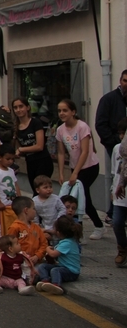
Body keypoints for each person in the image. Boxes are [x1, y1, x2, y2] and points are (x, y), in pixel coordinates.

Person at [56, 99, 103, 239]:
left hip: (89, 166)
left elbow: (85, 151)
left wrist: (76, 173)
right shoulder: (60, 129)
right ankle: (78, 229)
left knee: (80, 197)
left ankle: (93, 227)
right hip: (74, 167)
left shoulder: (82, 127)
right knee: (76, 198)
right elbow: (60, 152)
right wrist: (60, 173)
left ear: (73, 112)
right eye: (59, 111)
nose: (61, 113)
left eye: (65, 110)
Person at [13, 96, 53, 194]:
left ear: (28, 107)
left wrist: (22, 149)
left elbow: (39, 146)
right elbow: (19, 147)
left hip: (43, 161)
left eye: (21, 106)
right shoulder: (16, 127)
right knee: (35, 191)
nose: (18, 110)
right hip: (30, 162)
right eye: (15, 107)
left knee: (42, 191)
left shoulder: (35, 122)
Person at [36, 216, 82, 295]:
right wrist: (47, 230)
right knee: (43, 266)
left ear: (59, 232)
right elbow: (55, 233)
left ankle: (56, 285)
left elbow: (53, 254)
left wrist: (47, 248)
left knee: (55, 270)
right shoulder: (67, 240)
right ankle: (45, 280)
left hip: (72, 272)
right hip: (63, 267)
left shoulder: (67, 243)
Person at [95, 69, 127, 158]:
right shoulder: (108, 99)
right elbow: (101, 124)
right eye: (125, 81)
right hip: (116, 146)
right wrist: (114, 141)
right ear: (120, 81)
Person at [0, 144, 21, 233]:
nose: (10, 161)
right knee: (3, 228)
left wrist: (19, 198)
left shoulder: (11, 171)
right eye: (8, 159)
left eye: (12, 159)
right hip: (3, 206)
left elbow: (16, 185)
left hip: (13, 205)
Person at [7, 196, 46, 264]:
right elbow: (9, 246)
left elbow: (44, 244)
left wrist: (37, 256)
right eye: (33, 208)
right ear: (26, 210)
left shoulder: (36, 227)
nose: (35, 211)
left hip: (37, 263)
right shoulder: (14, 227)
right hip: (20, 263)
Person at [112, 126, 127, 266]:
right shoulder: (118, 148)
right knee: (117, 222)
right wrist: (116, 186)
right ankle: (122, 248)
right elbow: (119, 169)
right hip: (121, 193)